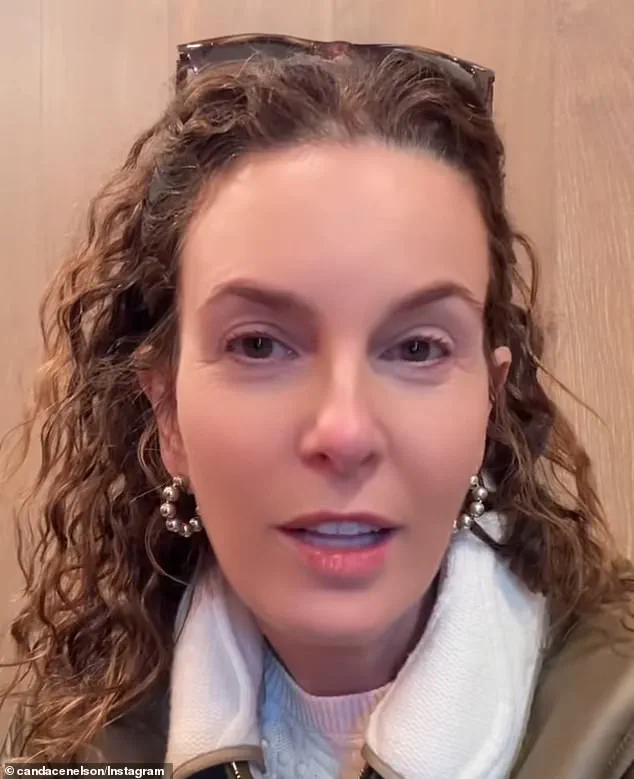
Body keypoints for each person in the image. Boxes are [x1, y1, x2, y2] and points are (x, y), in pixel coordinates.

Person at [1, 33, 633, 779]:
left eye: (417, 348)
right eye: (259, 345)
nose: (345, 430)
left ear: (488, 408)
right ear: (168, 413)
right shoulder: (73, 739)